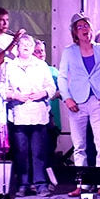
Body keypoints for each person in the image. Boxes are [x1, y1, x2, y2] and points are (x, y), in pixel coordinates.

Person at [58, 12, 100, 198]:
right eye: (80, 27)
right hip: (77, 102)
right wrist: (67, 98)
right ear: (74, 32)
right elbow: (62, 76)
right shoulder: (69, 51)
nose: (84, 29)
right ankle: (81, 185)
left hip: (98, 101)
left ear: (91, 29)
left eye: (86, 26)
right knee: (79, 145)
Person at [6, 33, 58, 197]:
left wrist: (42, 93)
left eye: (29, 46)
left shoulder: (41, 65)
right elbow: (2, 89)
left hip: (38, 115)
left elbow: (51, 87)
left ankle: (41, 183)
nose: (26, 49)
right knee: (21, 152)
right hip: (19, 115)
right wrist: (15, 96)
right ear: (18, 48)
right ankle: (23, 184)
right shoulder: (10, 66)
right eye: (23, 46)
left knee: (39, 152)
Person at [33, 39, 63, 168]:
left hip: (52, 119)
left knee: (49, 151)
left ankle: (48, 180)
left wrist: (51, 93)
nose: (41, 54)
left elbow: (63, 91)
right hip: (34, 117)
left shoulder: (53, 71)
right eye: (37, 51)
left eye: (42, 51)